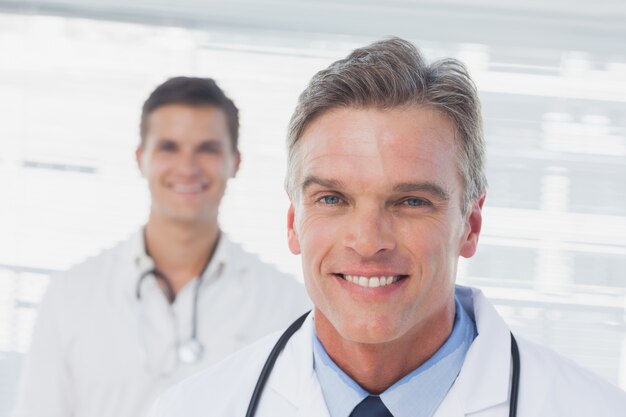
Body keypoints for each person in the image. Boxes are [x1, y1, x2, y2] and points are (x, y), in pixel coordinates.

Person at [150, 39, 626, 417]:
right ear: (294, 221)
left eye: (411, 201)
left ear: (471, 224)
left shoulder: (592, 409)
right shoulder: (193, 409)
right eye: (332, 199)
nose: (368, 241)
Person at [12, 77, 310, 417]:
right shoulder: (70, 295)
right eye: (169, 147)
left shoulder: (287, 305)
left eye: (208, 149)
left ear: (235, 162)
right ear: (141, 159)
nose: (187, 167)